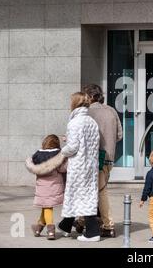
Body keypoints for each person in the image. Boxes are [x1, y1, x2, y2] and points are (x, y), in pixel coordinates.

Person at [57, 92, 101, 242]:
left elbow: (73, 147)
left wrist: (63, 150)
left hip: (79, 165)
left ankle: (92, 232)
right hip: (90, 164)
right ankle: (66, 225)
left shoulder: (75, 122)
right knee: (84, 195)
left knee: (80, 195)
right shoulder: (91, 121)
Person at [82, 84, 123, 238]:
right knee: (99, 189)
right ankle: (84, 220)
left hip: (93, 157)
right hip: (109, 157)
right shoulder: (111, 110)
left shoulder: (87, 112)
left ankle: (108, 224)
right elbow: (119, 135)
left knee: (99, 192)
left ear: (90, 97)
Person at [25, 134, 67, 240]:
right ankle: (51, 231)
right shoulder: (58, 155)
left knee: (46, 206)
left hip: (42, 188)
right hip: (54, 187)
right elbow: (63, 169)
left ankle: (38, 227)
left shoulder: (37, 156)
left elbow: (32, 165)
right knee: (48, 207)